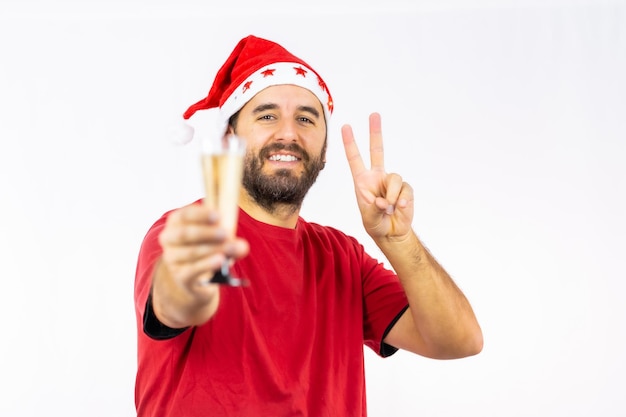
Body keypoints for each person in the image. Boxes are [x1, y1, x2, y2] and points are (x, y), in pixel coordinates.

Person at [134, 34, 483, 416]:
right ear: (229, 138)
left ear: (324, 150)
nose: (288, 132)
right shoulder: (186, 232)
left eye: (305, 118)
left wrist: (399, 240)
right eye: (267, 115)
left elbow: (460, 340)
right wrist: (185, 280)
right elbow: (172, 306)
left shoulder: (343, 258)